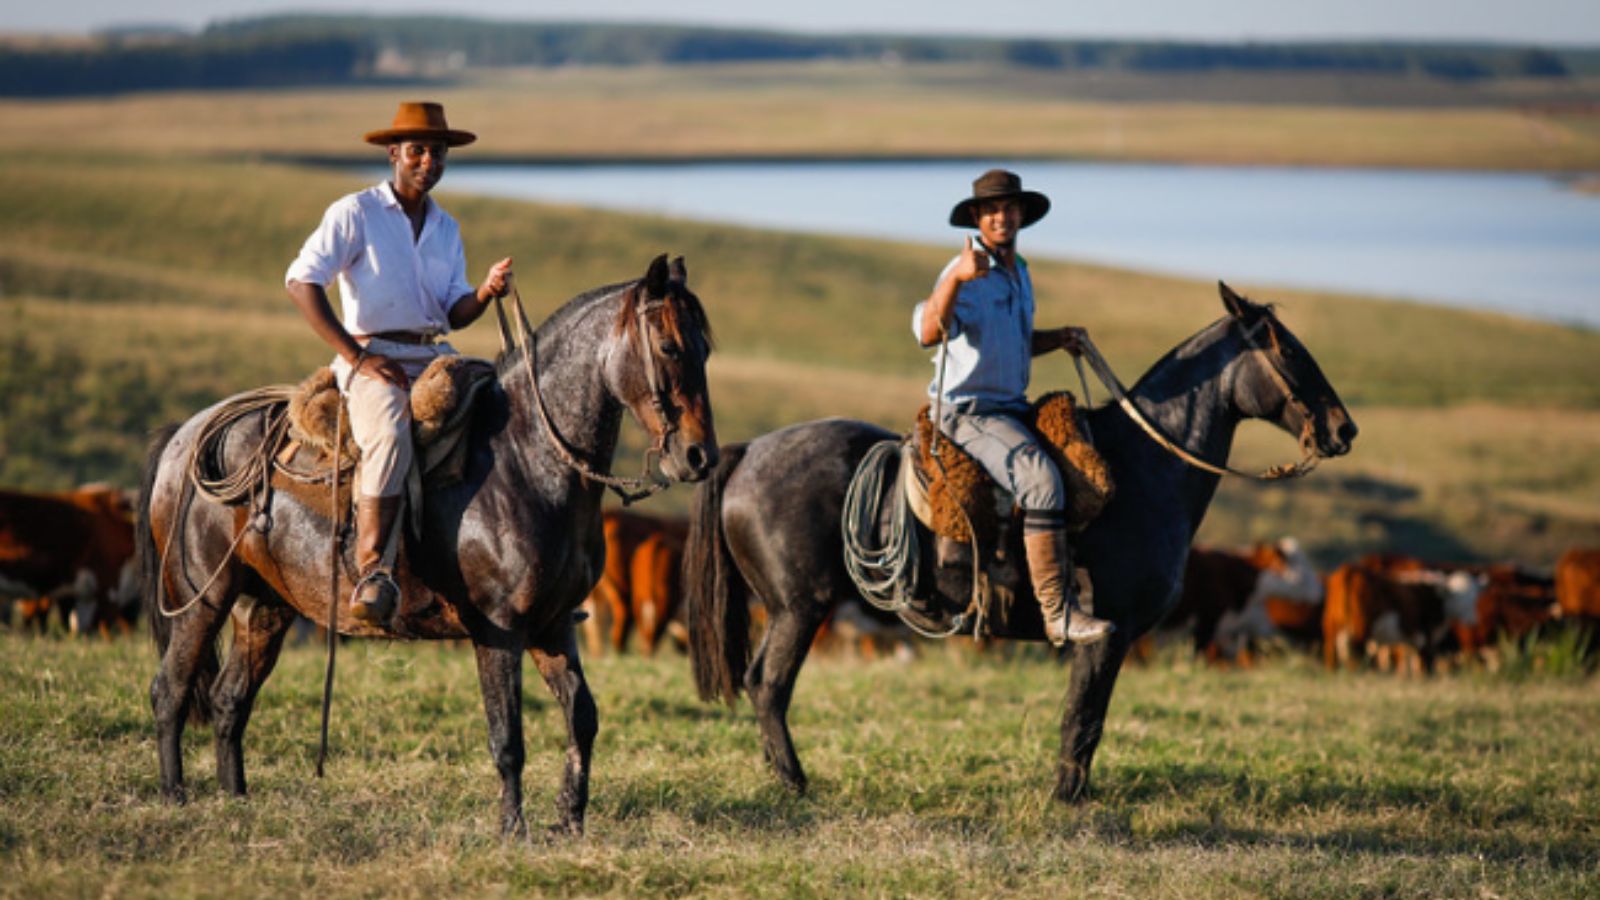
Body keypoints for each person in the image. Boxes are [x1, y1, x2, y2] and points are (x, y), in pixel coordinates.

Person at [285, 101, 514, 625]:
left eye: (437, 152)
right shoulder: (356, 212)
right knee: (389, 431)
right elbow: (301, 282)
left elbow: (453, 312)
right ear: (394, 154)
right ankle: (373, 572)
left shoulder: (446, 227)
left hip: (432, 354)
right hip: (371, 355)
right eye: (417, 151)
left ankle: (510, 569)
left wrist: (484, 291)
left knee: (501, 408)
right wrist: (357, 356)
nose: (428, 161)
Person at [911, 169, 1113, 646]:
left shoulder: (1018, 270)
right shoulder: (964, 271)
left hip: (1010, 408)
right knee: (1041, 479)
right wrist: (958, 279)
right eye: (992, 210)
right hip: (968, 412)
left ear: (1022, 215)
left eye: (1009, 208)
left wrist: (1056, 339)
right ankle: (1057, 612)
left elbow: (1012, 342)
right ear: (978, 218)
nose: (1002, 216)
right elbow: (927, 332)